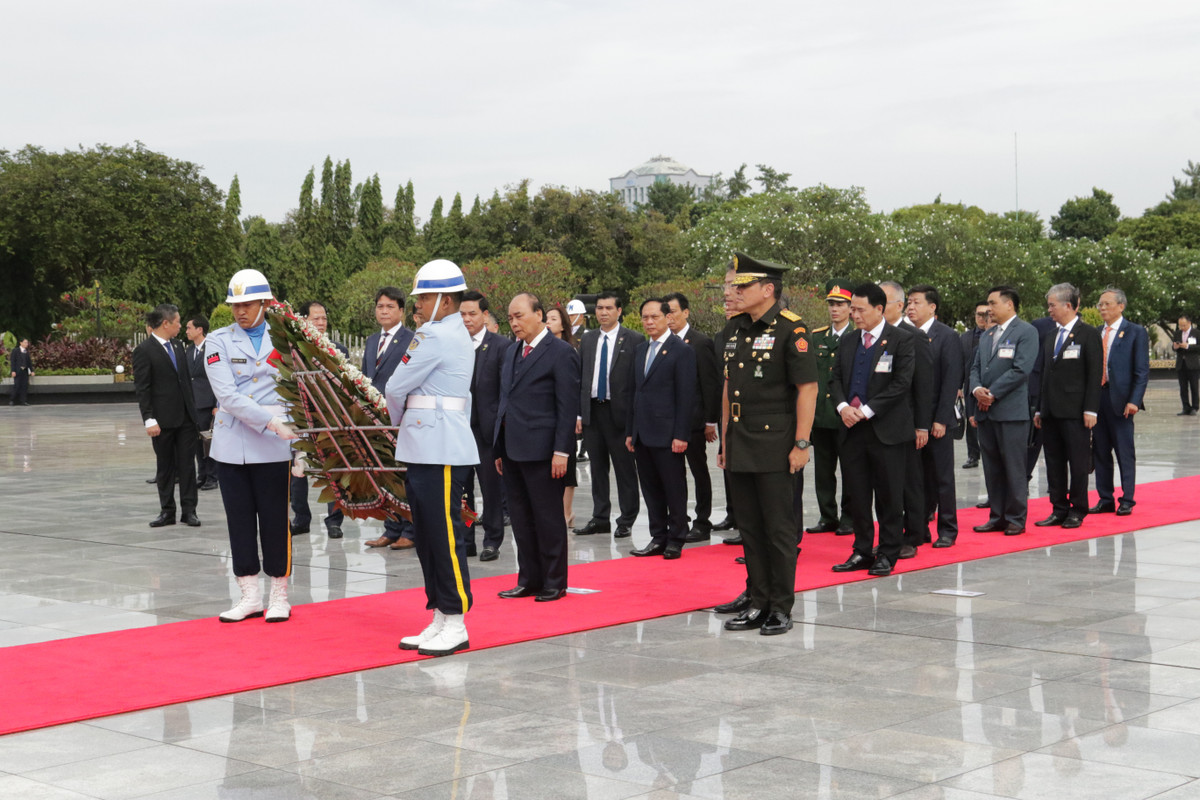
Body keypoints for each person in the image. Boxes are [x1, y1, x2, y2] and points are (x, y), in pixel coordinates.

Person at [718, 253, 817, 636]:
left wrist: (802, 442)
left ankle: (780, 606)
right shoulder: (735, 330)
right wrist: (726, 440)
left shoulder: (792, 330)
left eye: (742, 287)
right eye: (733, 286)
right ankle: (757, 601)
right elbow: (728, 388)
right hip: (741, 442)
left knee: (778, 529)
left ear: (768, 289)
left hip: (776, 443)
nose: (734, 293)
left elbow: (807, 389)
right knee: (750, 529)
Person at [387, 260, 479, 657]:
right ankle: (442, 613)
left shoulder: (434, 336)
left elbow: (395, 387)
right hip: (432, 445)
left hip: (436, 446)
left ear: (444, 300)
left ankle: (455, 619)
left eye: (423, 297)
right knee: (427, 534)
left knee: (442, 535)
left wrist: (394, 424)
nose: (418, 306)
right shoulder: (449, 333)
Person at [206, 269, 299, 623]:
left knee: (276, 520)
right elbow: (226, 395)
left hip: (276, 444)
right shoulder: (219, 341)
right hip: (234, 443)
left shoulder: (286, 340)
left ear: (265, 303)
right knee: (240, 520)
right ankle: (249, 593)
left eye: (247, 304)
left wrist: (300, 441)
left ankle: (279, 592)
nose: (240, 311)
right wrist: (269, 420)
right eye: (235, 305)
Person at [494, 293, 581, 602]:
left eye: (519, 316)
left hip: (544, 451)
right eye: (511, 318)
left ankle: (555, 581)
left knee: (548, 517)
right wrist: (499, 449)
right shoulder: (511, 352)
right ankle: (528, 578)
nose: (514, 323)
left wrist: (562, 451)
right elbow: (504, 401)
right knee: (520, 517)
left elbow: (566, 407)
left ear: (539, 315)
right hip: (513, 449)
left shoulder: (560, 352)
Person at [829, 283, 915, 579]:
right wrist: (843, 407)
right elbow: (835, 378)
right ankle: (862, 549)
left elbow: (901, 385)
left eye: (859, 309)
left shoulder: (901, 340)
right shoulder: (849, 341)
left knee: (890, 494)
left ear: (879, 309)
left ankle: (888, 551)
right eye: (852, 309)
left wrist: (866, 411)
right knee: (858, 493)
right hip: (851, 429)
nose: (854, 314)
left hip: (886, 430)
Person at [625, 298, 696, 559]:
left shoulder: (681, 350)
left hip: (668, 434)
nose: (649, 322)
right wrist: (631, 431)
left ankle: (677, 536)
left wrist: (681, 434)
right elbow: (635, 393)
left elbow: (686, 396)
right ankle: (658, 536)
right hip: (643, 433)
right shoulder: (641, 349)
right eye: (645, 317)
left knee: (673, 487)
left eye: (654, 317)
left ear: (668, 318)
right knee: (651, 487)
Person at [969, 286, 1039, 536]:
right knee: (992, 467)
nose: (989, 309)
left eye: (993, 303)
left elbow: (1021, 370)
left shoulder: (1026, 332)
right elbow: (975, 367)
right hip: (986, 412)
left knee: (1014, 467)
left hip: (1011, 413)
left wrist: (992, 394)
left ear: (1009, 305)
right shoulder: (987, 335)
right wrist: (977, 389)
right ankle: (996, 515)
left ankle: (1016, 518)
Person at [575, 291, 643, 538]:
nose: (603, 312)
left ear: (619, 311)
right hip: (594, 410)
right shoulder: (589, 339)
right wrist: (580, 414)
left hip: (620, 414)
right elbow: (582, 379)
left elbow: (638, 381)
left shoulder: (634, 339)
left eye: (608, 308)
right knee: (597, 468)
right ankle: (600, 517)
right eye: (599, 308)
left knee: (625, 469)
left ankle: (627, 518)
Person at [1034, 283, 1102, 530]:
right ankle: (1058, 508)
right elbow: (1044, 376)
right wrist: (1040, 409)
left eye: (1052, 305)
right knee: (1053, 462)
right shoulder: (1051, 336)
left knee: (1078, 462)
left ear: (1069, 305)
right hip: (1051, 411)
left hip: (1076, 412)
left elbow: (1095, 374)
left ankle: (1078, 509)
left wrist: (1091, 410)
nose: (1049, 310)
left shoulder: (1088, 334)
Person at [905, 285, 964, 548]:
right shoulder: (904, 334)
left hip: (937, 419)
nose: (910, 307)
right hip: (913, 420)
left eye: (916, 302)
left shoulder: (947, 336)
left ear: (932, 307)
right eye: (908, 302)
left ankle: (948, 529)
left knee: (942, 477)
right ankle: (919, 528)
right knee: (917, 478)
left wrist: (940, 419)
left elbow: (951, 380)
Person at [133, 304, 201, 529]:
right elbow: (143, 388)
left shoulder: (179, 346)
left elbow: (185, 383)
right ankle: (167, 511)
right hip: (161, 421)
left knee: (188, 467)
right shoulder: (144, 350)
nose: (181, 326)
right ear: (166, 323)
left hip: (186, 420)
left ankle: (189, 511)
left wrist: (194, 414)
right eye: (178, 322)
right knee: (165, 467)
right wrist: (149, 418)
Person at [362, 287, 418, 550]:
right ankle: (391, 528)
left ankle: (410, 529)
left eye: (390, 307)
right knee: (384, 473)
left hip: (402, 416)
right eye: (380, 306)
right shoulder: (372, 340)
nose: (384, 311)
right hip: (376, 418)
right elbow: (365, 378)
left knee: (404, 475)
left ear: (401, 311)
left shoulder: (412, 339)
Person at [663, 292, 721, 542]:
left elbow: (710, 384)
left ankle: (702, 520)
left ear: (686, 312)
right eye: (665, 313)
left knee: (698, 471)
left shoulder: (699, 342)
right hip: (668, 421)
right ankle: (678, 519)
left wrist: (710, 421)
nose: (669, 318)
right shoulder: (662, 343)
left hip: (695, 422)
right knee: (673, 473)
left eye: (673, 312)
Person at [881, 281, 933, 558]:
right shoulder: (876, 334)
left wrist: (922, 424)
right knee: (890, 482)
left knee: (910, 481)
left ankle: (913, 533)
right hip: (882, 422)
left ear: (899, 305)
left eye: (883, 302)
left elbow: (923, 385)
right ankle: (895, 530)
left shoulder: (912, 336)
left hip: (908, 422)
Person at [289, 301, 348, 539]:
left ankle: (334, 521)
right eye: (316, 319)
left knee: (334, 469)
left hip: (331, 419)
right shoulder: (293, 350)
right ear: (304, 321)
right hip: (301, 418)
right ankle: (301, 518)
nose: (321, 323)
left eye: (324, 318)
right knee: (298, 469)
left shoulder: (339, 349)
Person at [461, 290, 513, 561]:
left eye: (472, 314)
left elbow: (506, 391)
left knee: (491, 488)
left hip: (487, 431)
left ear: (484, 315)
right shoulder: (454, 343)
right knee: (462, 488)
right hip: (458, 428)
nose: (467, 319)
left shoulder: (500, 346)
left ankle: (492, 540)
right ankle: (466, 540)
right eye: (462, 314)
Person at [1090, 287, 1149, 517]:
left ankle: (1127, 499)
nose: (1102, 308)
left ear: (1121, 306)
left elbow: (1142, 371)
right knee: (1101, 451)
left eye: (1106, 304)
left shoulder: (1135, 332)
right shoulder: (1096, 333)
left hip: (1122, 402)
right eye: (1100, 304)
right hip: (1099, 399)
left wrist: (1135, 400)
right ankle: (1105, 498)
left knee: (1124, 452)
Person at [805, 280, 855, 536]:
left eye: (840, 304)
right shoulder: (816, 337)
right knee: (823, 472)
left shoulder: (856, 336)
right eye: (831, 304)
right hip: (822, 415)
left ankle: (849, 517)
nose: (835, 309)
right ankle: (828, 516)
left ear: (850, 306)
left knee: (850, 470)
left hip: (847, 417)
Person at [546, 304, 581, 528]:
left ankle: (566, 512)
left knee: (566, 465)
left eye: (553, 319)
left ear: (563, 324)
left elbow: (574, 388)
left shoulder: (570, 349)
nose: (549, 322)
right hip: (547, 418)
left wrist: (577, 415)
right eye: (546, 319)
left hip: (566, 416)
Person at [184, 316, 219, 491]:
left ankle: (213, 477)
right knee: (197, 443)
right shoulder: (189, 351)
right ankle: (202, 475)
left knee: (208, 441)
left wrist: (216, 404)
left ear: (200, 330)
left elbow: (217, 377)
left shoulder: (212, 350)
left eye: (189, 328)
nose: (186, 331)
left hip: (207, 403)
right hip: (193, 404)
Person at [960, 303, 991, 468]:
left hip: (989, 388)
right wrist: (958, 387)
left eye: (986, 314)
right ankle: (973, 455)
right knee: (970, 421)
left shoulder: (995, 335)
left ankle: (989, 454)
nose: (982, 317)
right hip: (970, 387)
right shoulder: (965, 338)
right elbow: (959, 364)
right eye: (979, 314)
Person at [1174, 315, 1199, 415]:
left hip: (1192, 364)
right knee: (1183, 387)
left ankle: (1195, 407)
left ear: (1189, 323)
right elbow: (1174, 347)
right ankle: (1185, 407)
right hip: (1181, 364)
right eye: (1180, 325)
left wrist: (1188, 346)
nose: (1182, 328)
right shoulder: (1177, 333)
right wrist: (1175, 346)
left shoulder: (1196, 333)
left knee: (1194, 386)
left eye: (1184, 325)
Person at [9, 338, 33, 406]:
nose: (26, 344)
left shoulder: (26, 352)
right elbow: (13, 361)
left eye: (27, 343)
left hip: (25, 371)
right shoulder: (15, 351)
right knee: (16, 385)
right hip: (17, 371)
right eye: (25, 342)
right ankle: (12, 400)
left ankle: (23, 401)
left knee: (24, 386)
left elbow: (29, 362)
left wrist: (32, 371)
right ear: (21, 343)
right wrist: (13, 371)